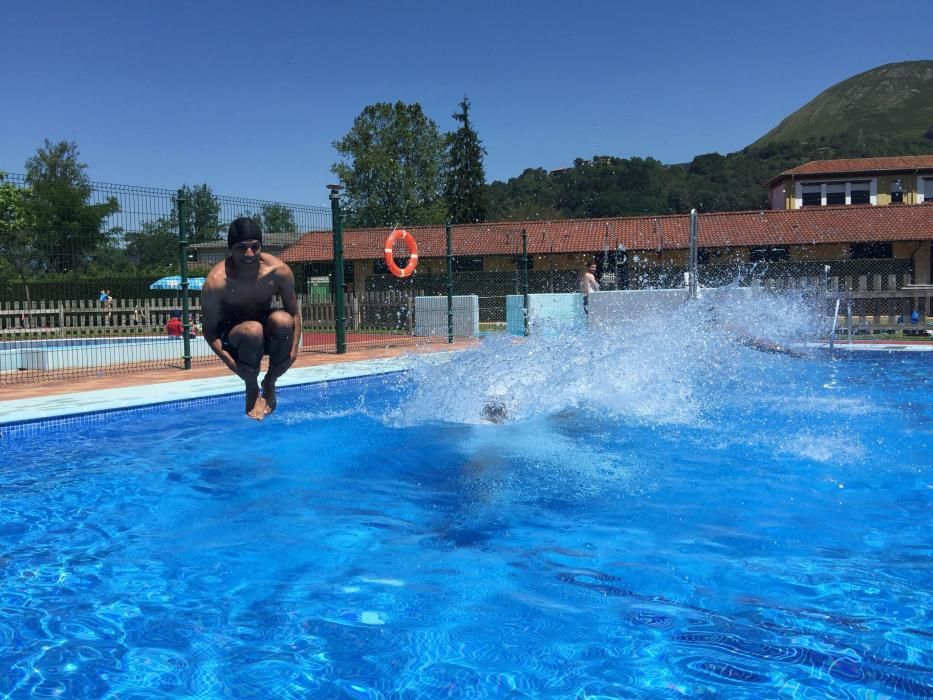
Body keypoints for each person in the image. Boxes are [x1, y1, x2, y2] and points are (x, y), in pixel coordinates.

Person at [201, 217, 301, 421]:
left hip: (264, 327)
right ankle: (252, 387)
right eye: (242, 248)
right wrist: (231, 364)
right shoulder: (217, 282)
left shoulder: (278, 272)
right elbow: (209, 331)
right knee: (252, 330)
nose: (249, 254)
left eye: (255, 247)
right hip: (234, 335)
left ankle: (270, 382)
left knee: (283, 321)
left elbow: (294, 314)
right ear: (231, 248)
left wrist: (293, 351)